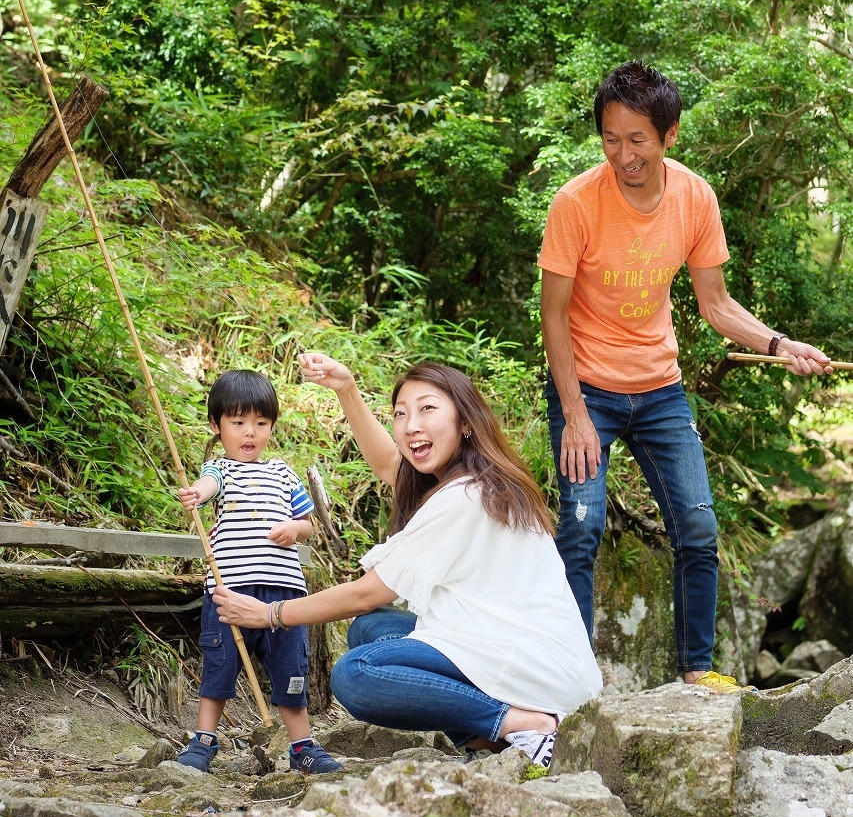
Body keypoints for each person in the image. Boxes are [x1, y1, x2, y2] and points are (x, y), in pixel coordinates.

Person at [539, 60, 832, 683]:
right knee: (582, 529)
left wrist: (781, 344)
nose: (624, 155)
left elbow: (717, 304)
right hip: (586, 386)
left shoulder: (695, 198)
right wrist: (574, 416)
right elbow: (554, 317)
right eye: (611, 140)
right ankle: (569, 682)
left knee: (698, 528)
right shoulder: (576, 202)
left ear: (669, 135)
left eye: (637, 139)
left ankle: (696, 675)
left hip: (660, 389)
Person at [213, 353, 602, 769]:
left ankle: (524, 724)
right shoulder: (479, 479)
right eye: (401, 414)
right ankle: (493, 741)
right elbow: (387, 463)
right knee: (371, 630)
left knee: (356, 674)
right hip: (510, 649)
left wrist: (272, 613)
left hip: (534, 671)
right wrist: (346, 388)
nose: (411, 424)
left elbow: (365, 593)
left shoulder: (465, 497)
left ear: (465, 422)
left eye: (427, 409)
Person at [175, 369, 341, 774]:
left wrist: (294, 529)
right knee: (220, 665)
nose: (250, 433)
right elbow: (208, 486)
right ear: (217, 425)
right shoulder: (220, 470)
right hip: (230, 592)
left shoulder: (282, 472)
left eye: (261, 424)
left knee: (290, 671)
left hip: (284, 595)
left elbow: (309, 524)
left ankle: (301, 745)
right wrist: (196, 493)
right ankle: (204, 740)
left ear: (271, 426)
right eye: (238, 423)